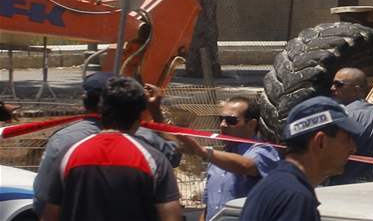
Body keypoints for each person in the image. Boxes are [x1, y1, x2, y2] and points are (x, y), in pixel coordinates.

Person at [33, 71, 181, 217]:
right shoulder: (150, 149)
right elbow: (174, 154)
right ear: (140, 113)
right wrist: (157, 113)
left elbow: (44, 202)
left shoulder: (65, 145)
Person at [240, 96, 363, 221]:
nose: (353, 149)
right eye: (346, 139)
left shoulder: (273, 186)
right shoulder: (295, 198)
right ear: (320, 142)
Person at [176, 96, 280, 220]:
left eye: (231, 120)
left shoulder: (264, 151)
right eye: (221, 119)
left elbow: (245, 166)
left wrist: (203, 152)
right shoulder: (216, 161)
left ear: (251, 124)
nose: (223, 125)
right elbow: (209, 207)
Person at [328, 67, 373, 184]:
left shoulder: (343, 116)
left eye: (339, 85)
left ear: (357, 90)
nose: (332, 88)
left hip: (344, 188)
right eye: (333, 84)